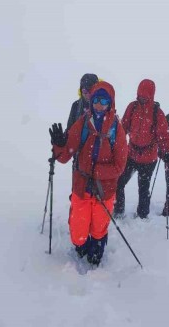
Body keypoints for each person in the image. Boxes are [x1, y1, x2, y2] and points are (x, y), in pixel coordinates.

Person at [49, 81, 128, 266]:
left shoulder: (117, 129)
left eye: (104, 101)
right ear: (91, 101)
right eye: (96, 100)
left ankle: (97, 248)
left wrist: (97, 172)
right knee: (78, 232)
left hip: (104, 190)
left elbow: (120, 165)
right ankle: (81, 245)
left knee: (99, 228)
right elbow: (64, 156)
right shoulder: (83, 123)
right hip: (82, 187)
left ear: (111, 104)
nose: (100, 105)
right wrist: (59, 145)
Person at [114, 79, 169, 219]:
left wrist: (166, 152)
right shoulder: (132, 107)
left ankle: (142, 214)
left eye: (145, 96)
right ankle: (118, 210)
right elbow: (123, 127)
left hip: (148, 158)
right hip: (131, 154)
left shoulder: (157, 112)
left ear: (151, 95)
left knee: (143, 188)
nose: (142, 98)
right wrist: (115, 142)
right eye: (140, 95)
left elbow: (163, 135)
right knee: (119, 181)